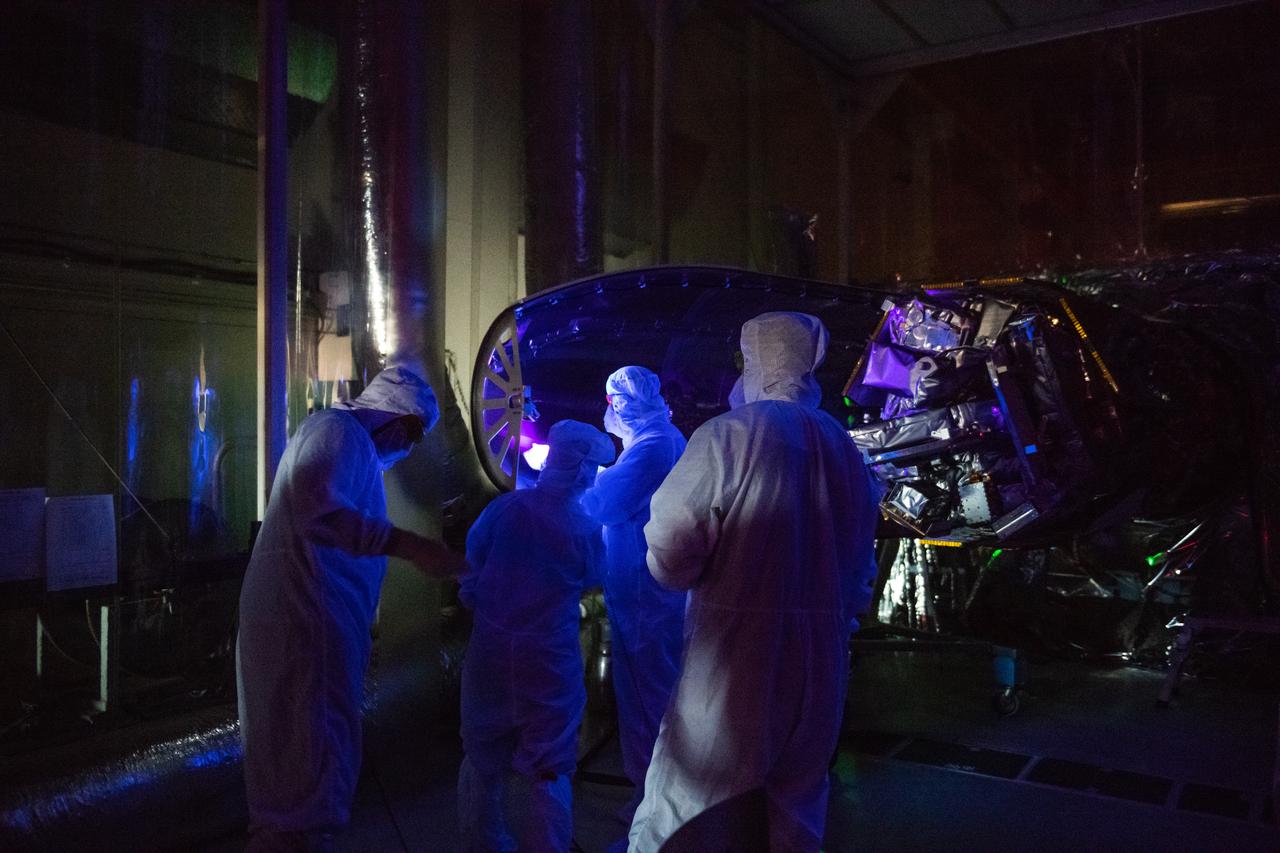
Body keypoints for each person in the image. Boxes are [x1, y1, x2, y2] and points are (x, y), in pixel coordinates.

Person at [627, 312, 880, 852]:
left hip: (737, 663)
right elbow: (861, 570)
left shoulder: (730, 434)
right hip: (822, 665)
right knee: (795, 813)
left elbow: (672, 548)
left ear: (758, 359)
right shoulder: (843, 446)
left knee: (687, 811)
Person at [237, 360, 465, 852]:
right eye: (411, 434)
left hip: (306, 626)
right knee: (306, 777)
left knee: (298, 777)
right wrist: (413, 546)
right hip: (305, 628)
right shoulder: (339, 432)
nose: (407, 448)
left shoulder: (342, 441)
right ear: (393, 416)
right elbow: (320, 512)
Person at [457, 419, 616, 852]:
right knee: (548, 765)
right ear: (582, 470)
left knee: (482, 754)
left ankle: (481, 843)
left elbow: (475, 555)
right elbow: (594, 576)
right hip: (547, 658)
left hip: (490, 650)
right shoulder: (582, 530)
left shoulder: (509, 507)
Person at [581, 366, 687, 830]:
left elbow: (605, 504)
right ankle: (658, 794)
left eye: (612, 402)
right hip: (644, 591)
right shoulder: (657, 440)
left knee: (648, 694)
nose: (608, 412)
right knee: (650, 687)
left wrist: (571, 472)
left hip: (644, 592)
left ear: (624, 404)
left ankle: (655, 802)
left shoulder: (652, 447)